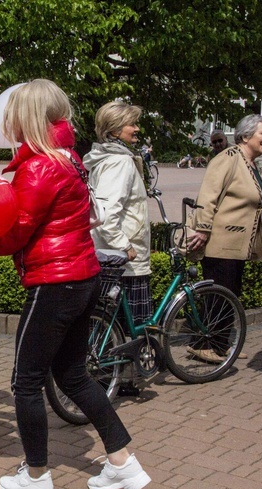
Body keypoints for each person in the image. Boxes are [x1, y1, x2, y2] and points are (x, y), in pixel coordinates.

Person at [0, 79, 150, 489]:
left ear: (26, 117)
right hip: (82, 278)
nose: (6, 122)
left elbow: (14, 234)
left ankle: (36, 478)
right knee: (75, 376)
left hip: (54, 283)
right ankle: (122, 464)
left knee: (26, 382)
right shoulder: (68, 157)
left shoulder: (41, 165)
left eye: (12, 114)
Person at [186, 114, 262, 363]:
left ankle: (221, 344)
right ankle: (204, 345)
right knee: (218, 296)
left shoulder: (249, 163)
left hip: (237, 245)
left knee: (230, 295)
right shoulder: (227, 159)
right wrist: (202, 229)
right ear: (246, 136)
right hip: (220, 242)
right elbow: (208, 194)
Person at [84, 101, 152, 325]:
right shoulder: (119, 162)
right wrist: (125, 245)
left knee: (111, 328)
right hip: (124, 261)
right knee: (128, 330)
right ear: (114, 129)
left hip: (114, 257)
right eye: (131, 124)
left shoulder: (106, 158)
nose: (137, 129)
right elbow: (106, 214)